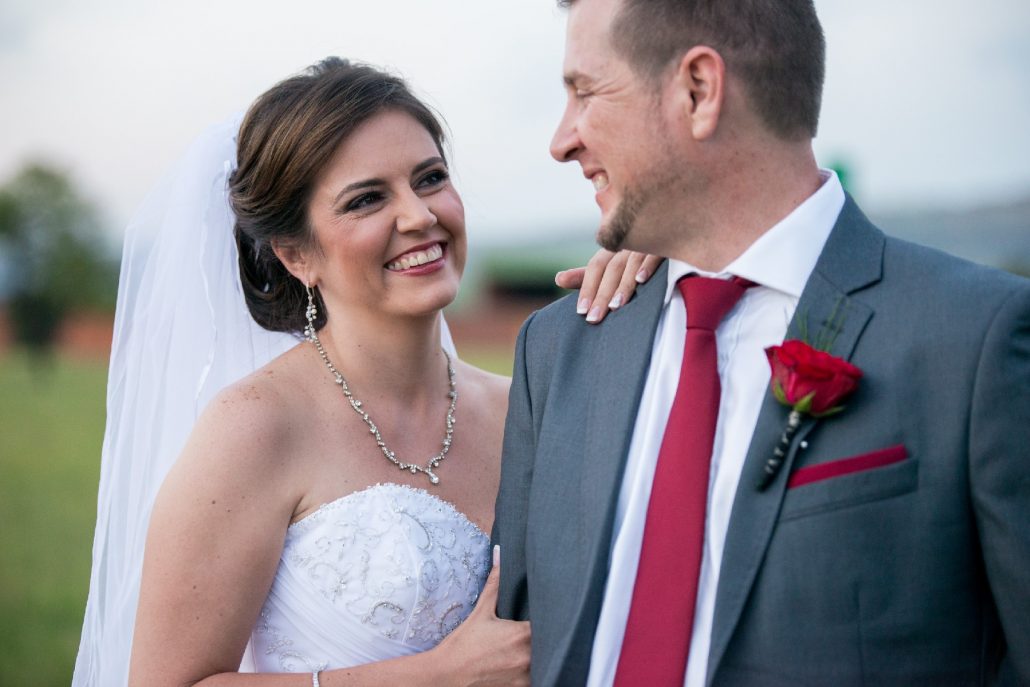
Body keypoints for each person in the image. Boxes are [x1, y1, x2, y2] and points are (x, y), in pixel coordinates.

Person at [72, 57, 658, 686]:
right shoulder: (255, 427)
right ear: (295, 254)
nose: (419, 215)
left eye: (430, 178)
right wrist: (435, 677)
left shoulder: (528, 405)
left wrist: (663, 272)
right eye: (367, 199)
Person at [494, 0, 1030, 685]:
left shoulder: (975, 339)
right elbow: (510, 646)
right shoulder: (557, 350)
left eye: (585, 92)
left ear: (698, 91)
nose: (561, 140)